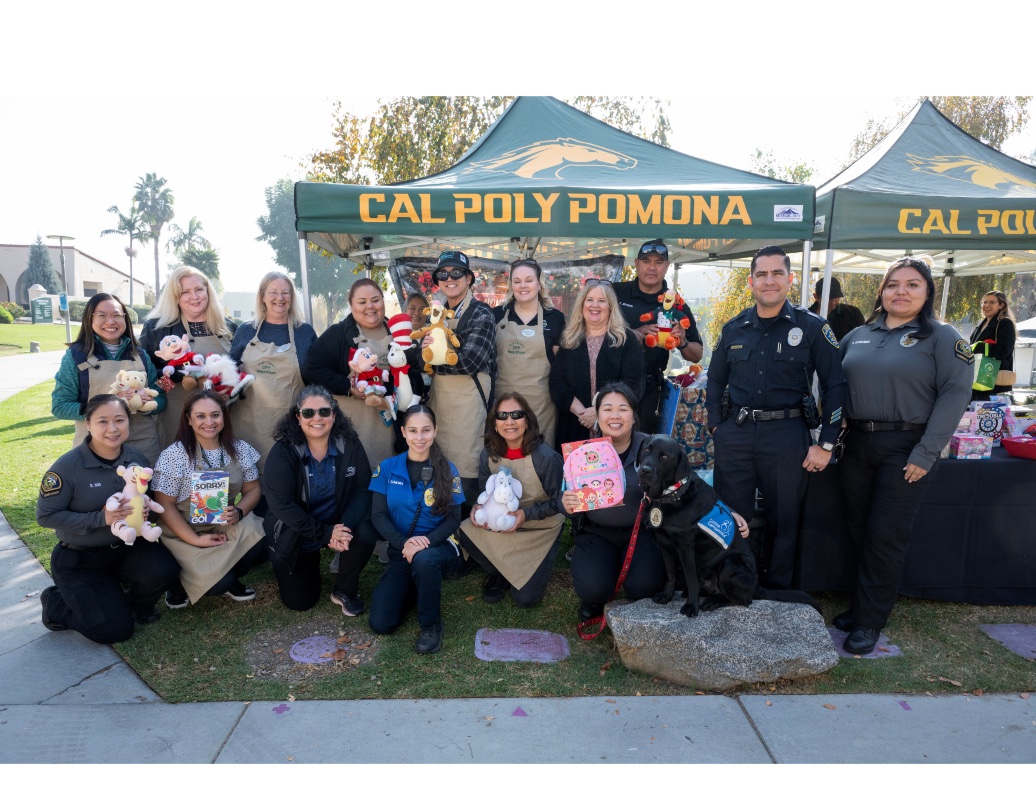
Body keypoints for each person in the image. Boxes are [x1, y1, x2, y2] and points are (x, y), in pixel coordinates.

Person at [836, 256, 973, 654]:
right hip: (856, 444)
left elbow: (955, 394)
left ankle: (870, 620)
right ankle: (860, 606)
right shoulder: (859, 334)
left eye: (912, 284)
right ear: (882, 291)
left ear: (927, 292)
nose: (901, 291)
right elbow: (831, 381)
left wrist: (927, 452)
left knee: (885, 536)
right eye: (893, 284)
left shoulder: (942, 337)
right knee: (859, 530)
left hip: (907, 447)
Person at [705, 245, 846, 590]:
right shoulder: (734, 328)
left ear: (790, 279)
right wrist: (716, 425)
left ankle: (779, 592)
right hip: (736, 434)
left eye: (777, 273)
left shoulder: (812, 327)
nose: (769, 281)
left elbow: (836, 385)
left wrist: (826, 444)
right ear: (751, 281)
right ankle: (731, 585)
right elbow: (715, 380)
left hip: (787, 435)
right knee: (729, 517)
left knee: (785, 519)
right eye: (762, 274)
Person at [36, 394, 180, 643]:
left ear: (128, 423)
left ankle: (134, 606)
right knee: (113, 631)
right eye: (102, 421)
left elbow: (148, 501)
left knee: (165, 569)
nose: (112, 428)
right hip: (82, 559)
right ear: (88, 424)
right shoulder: (67, 467)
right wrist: (101, 518)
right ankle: (55, 601)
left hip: (127, 548)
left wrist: (147, 513)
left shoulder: (136, 458)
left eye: (119, 420)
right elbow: (46, 516)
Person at [262, 386, 376, 614]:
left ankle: (344, 589)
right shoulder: (283, 451)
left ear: (334, 415)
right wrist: (325, 534)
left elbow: (363, 488)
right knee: (300, 602)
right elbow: (282, 505)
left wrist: (342, 529)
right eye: (308, 413)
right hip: (298, 530)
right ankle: (308, 559)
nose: (317, 418)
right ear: (298, 417)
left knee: (366, 529)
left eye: (324, 411)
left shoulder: (350, 443)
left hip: (338, 523)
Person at [151, 390, 266, 608]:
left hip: (223, 524)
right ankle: (179, 584)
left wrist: (239, 511)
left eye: (215, 415)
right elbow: (164, 505)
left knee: (258, 534)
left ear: (224, 416)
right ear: (189, 419)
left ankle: (226, 573)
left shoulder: (240, 449)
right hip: (184, 532)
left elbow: (253, 490)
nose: (209, 422)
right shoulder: (174, 455)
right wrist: (194, 539)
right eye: (200, 416)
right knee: (218, 585)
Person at [561, 383, 663, 622]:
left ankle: (635, 571)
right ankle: (596, 593)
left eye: (623, 409)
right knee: (593, 588)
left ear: (634, 415)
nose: (615, 416)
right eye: (607, 409)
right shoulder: (582, 453)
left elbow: (683, 485)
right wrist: (566, 504)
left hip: (642, 532)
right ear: (597, 416)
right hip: (596, 533)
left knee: (645, 587)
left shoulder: (653, 448)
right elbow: (564, 499)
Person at [368, 405, 466, 654]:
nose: (419, 437)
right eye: (413, 430)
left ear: (435, 431)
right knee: (381, 624)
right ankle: (417, 585)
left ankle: (431, 626)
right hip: (402, 550)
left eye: (426, 430)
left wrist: (425, 541)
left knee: (424, 559)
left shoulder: (448, 470)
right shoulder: (387, 468)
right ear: (403, 432)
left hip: (439, 546)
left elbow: (454, 519)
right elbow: (378, 515)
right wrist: (404, 544)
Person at [459, 392, 565, 607]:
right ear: (494, 424)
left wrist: (525, 514)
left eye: (516, 415)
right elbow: (485, 491)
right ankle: (498, 572)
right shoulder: (489, 454)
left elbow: (561, 502)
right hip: (502, 522)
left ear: (527, 421)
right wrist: (479, 507)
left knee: (525, 599)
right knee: (464, 531)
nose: (509, 421)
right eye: (502, 416)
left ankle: (521, 566)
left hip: (539, 528)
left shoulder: (546, 459)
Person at [303, 279, 423, 468]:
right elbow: (311, 369)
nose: (370, 307)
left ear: (383, 301)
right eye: (362, 302)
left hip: (390, 428)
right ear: (351, 305)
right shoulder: (338, 334)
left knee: (388, 472)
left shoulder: (398, 333)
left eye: (375, 300)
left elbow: (416, 371)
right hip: (353, 425)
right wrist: (347, 386)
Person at [52, 292, 167, 465]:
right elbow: (60, 406)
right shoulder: (75, 356)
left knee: (144, 482)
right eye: (102, 315)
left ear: (125, 318)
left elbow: (161, 398)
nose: (110, 321)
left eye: (116, 315)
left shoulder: (141, 355)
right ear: (89, 319)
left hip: (142, 444)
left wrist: (147, 404)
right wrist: (102, 408)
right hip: (95, 448)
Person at [423, 250, 497, 505]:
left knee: (466, 482)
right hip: (439, 407)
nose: (449, 278)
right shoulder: (434, 315)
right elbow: (421, 360)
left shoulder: (481, 314)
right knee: (439, 478)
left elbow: (470, 362)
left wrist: (432, 361)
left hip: (469, 411)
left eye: (456, 273)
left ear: (468, 278)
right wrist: (426, 355)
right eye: (443, 274)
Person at [614, 240, 704, 433]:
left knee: (643, 444)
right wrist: (633, 334)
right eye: (646, 261)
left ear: (667, 266)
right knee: (606, 443)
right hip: (611, 383)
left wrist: (683, 341)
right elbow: (591, 332)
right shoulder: (616, 292)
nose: (652, 267)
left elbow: (697, 355)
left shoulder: (677, 304)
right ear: (636, 263)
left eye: (659, 262)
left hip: (649, 390)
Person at [140, 266, 237, 445]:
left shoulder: (228, 327)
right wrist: (179, 376)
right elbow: (146, 374)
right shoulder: (157, 328)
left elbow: (241, 369)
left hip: (218, 419)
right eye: (185, 292)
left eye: (199, 289)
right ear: (175, 297)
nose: (194, 296)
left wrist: (230, 389)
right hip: (174, 415)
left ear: (208, 291)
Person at [229, 272, 316, 471]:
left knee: (284, 476)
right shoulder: (246, 330)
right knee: (249, 478)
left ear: (292, 297)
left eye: (285, 292)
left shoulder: (304, 332)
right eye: (273, 292)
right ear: (262, 296)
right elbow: (230, 372)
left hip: (290, 427)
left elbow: (316, 379)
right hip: (247, 425)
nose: (280, 298)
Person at [549, 279, 645, 448]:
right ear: (582, 305)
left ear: (610, 307)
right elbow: (557, 383)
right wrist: (583, 414)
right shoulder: (569, 340)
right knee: (575, 466)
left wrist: (599, 411)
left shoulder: (626, 340)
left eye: (601, 301)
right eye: (590, 300)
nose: (595, 305)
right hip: (574, 426)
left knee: (614, 466)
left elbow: (633, 384)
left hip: (615, 427)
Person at [492, 259, 566, 448]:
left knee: (540, 455)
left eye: (529, 280)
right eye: (517, 281)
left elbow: (561, 367)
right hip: (504, 405)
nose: (522, 286)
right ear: (511, 285)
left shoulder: (555, 318)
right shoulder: (497, 315)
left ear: (539, 284)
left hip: (540, 405)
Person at [969, 290, 1017, 401]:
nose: (986, 305)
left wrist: (980, 347)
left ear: (1001, 305)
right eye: (984, 302)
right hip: (977, 379)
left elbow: (1004, 350)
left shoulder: (1005, 323)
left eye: (991, 302)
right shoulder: (980, 325)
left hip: (993, 382)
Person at [808, 276, 866, 342]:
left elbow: (862, 338)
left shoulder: (853, 313)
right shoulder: (806, 317)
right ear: (816, 297)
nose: (833, 302)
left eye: (836, 297)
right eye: (829, 299)